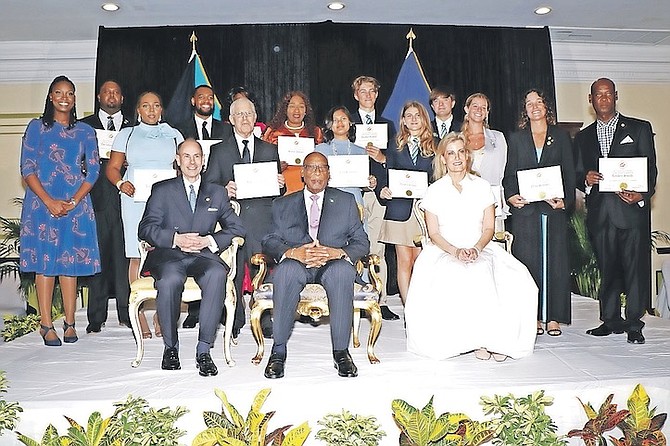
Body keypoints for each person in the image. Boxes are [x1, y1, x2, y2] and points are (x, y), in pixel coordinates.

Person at [405, 132, 537, 361]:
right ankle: (475, 341)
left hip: (481, 246)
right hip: (444, 249)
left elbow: (488, 228)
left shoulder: (482, 186)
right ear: (443, 159)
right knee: (457, 272)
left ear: (468, 156)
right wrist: (455, 251)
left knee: (511, 275)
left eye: (461, 152)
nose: (456, 158)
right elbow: (434, 233)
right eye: (451, 153)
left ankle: (494, 339)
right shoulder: (434, 190)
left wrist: (476, 248)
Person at [138, 139, 246, 375]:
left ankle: (204, 349)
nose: (192, 162)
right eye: (186, 156)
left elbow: (236, 228)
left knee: (218, 274)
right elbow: (146, 228)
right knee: (169, 281)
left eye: (197, 156)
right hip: (169, 254)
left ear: (203, 161)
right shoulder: (162, 190)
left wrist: (210, 241)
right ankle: (170, 347)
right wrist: (175, 239)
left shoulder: (216, 193)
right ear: (177, 160)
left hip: (202, 254)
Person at [262, 152, 370, 379]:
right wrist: (293, 253)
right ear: (302, 173)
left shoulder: (345, 202)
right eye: (311, 167)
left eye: (322, 168)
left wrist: (337, 253)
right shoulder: (283, 204)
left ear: (329, 173)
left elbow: (362, 242)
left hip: (331, 264)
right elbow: (269, 240)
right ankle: (278, 352)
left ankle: (341, 353)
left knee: (342, 272)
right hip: (297, 262)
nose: (317, 173)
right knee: (285, 271)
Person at [574, 78, 657, 344]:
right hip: (601, 214)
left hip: (631, 212)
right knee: (607, 268)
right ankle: (610, 319)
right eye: (598, 95)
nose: (604, 99)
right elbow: (576, 174)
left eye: (608, 94)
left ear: (616, 96)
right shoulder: (584, 137)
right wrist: (585, 178)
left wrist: (642, 194)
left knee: (634, 268)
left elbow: (650, 170)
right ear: (591, 100)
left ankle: (634, 322)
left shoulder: (639, 128)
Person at [19, 75, 101, 346]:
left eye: (69, 93)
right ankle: (45, 323)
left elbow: (94, 169)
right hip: (41, 206)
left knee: (71, 263)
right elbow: (27, 168)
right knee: (46, 264)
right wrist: (49, 201)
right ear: (51, 97)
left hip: (75, 206)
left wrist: (74, 201)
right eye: (59, 93)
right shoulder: (36, 128)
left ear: (75, 98)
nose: (64, 97)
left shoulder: (86, 132)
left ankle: (70, 322)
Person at [204, 97, 285, 338]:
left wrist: (280, 185)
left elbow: (278, 190)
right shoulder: (219, 150)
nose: (245, 119)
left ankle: (267, 318)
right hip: (232, 220)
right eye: (239, 115)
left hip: (263, 218)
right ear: (230, 120)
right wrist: (223, 189)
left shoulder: (270, 149)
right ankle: (235, 319)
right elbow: (207, 186)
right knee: (235, 273)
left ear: (255, 117)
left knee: (266, 271)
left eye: (249, 114)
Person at [106, 91, 185, 338]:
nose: (151, 110)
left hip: (168, 203)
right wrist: (120, 184)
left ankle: (162, 314)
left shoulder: (173, 134)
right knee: (137, 255)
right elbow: (113, 168)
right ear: (138, 110)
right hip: (134, 201)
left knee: (168, 254)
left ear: (162, 109)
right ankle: (137, 314)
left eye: (156, 105)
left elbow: (184, 166)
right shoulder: (126, 135)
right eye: (145, 106)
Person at [504, 89, 576, 337]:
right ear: (525, 109)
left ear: (547, 107)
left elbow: (569, 172)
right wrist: (511, 195)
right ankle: (533, 316)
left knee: (555, 262)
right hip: (526, 212)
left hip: (553, 210)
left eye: (539, 102)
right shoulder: (516, 138)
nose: (534, 106)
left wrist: (565, 200)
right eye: (529, 103)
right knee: (528, 264)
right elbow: (509, 175)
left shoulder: (561, 136)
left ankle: (553, 317)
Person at [175, 84, 233, 329]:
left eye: (210, 97)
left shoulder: (226, 129)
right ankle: (195, 312)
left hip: (217, 192)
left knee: (209, 252)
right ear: (192, 100)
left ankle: (217, 310)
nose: (206, 101)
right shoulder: (180, 129)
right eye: (201, 97)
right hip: (189, 189)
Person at [80, 80, 131, 333]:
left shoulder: (134, 127)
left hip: (128, 201)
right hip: (95, 199)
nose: (112, 95)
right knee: (97, 258)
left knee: (124, 257)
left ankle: (126, 312)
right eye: (107, 91)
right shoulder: (84, 126)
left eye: (116, 91)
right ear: (99, 96)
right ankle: (95, 317)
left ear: (122, 98)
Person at [350, 75, 399, 320]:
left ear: (377, 95)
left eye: (372, 91)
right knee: (351, 247)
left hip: (379, 193)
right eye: (363, 91)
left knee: (378, 248)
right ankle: (354, 296)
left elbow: (398, 160)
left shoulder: (389, 125)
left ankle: (381, 300)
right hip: (353, 194)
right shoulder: (346, 123)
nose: (367, 95)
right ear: (355, 95)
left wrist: (382, 159)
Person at [378, 101, 436, 305]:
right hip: (399, 210)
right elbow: (387, 175)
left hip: (424, 212)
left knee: (421, 262)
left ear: (424, 118)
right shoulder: (394, 144)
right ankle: (409, 308)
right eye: (408, 115)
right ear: (402, 120)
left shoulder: (436, 144)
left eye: (417, 115)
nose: (413, 119)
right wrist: (383, 189)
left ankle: (421, 306)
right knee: (404, 261)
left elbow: (439, 178)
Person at [262, 91, 324, 194]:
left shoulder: (315, 132)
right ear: (285, 110)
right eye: (292, 106)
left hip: (310, 186)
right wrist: (277, 167)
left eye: (301, 106)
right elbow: (264, 163)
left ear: (306, 111)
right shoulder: (273, 132)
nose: (296, 110)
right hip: (284, 187)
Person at [315, 106, 376, 209]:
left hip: (355, 202)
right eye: (335, 120)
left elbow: (363, 185)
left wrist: (370, 184)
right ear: (329, 125)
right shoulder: (320, 150)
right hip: (329, 201)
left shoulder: (361, 151)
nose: (340, 123)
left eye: (343, 119)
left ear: (350, 122)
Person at [461, 93, 508, 225]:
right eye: (475, 106)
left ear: (487, 112)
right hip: (464, 202)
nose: (479, 110)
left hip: (492, 201)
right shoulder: (457, 139)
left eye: (483, 107)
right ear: (466, 109)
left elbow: (504, 170)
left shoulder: (498, 138)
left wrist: (502, 197)